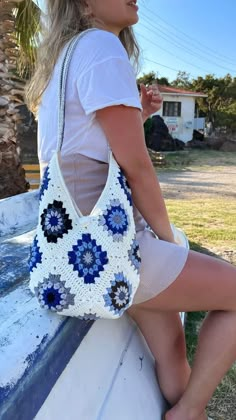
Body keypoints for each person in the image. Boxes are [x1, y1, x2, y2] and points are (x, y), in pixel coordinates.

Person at [25, 1, 236, 419]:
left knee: (174, 358)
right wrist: (168, 239)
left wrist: (138, 114)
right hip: (120, 249)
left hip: (86, 247)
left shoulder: (65, 60)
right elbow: (137, 169)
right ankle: (190, 412)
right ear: (84, 3)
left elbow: (87, 148)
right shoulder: (102, 46)